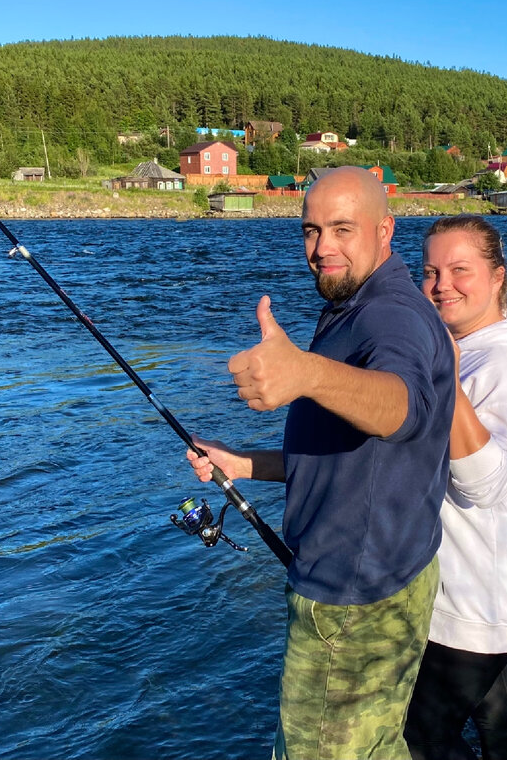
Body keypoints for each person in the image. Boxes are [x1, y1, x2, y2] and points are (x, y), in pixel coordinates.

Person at [187, 166, 456, 760]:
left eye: (342, 228)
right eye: (311, 231)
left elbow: (400, 407)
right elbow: (352, 455)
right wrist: (247, 463)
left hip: (349, 605)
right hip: (392, 576)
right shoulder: (355, 303)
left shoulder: (393, 317)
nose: (322, 248)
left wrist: (304, 371)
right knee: (379, 745)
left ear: (385, 229)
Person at [403, 215, 507, 760]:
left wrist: (444, 376)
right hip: (499, 592)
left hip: (476, 603)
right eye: (430, 271)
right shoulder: (467, 348)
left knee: (416, 740)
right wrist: (250, 465)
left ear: (497, 278)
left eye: (459, 269)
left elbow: (490, 482)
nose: (442, 284)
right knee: (506, 734)